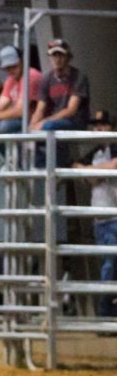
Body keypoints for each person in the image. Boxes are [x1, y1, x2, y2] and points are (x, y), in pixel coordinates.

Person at [71, 110, 117, 319]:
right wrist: (96, 171)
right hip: (103, 219)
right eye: (96, 125)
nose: (98, 128)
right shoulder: (97, 151)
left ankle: (106, 313)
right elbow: (76, 166)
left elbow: (112, 166)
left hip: (113, 217)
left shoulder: (112, 148)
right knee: (109, 267)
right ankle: (107, 314)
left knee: (110, 268)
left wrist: (92, 172)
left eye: (103, 124)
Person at [31, 38, 90, 167]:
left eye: (60, 55)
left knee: (49, 127)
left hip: (76, 121)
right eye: (54, 55)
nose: (57, 59)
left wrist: (44, 122)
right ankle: (44, 168)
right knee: (25, 135)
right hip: (56, 121)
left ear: (68, 57)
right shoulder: (47, 78)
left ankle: (59, 165)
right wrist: (31, 127)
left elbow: (71, 110)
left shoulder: (78, 76)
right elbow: (40, 109)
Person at [0, 45, 43, 135]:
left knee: (5, 126)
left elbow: (20, 111)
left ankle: (20, 149)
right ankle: (2, 149)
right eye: (7, 67)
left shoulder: (31, 75)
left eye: (14, 66)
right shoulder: (10, 80)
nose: (10, 70)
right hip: (21, 118)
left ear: (22, 61)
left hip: (35, 119)